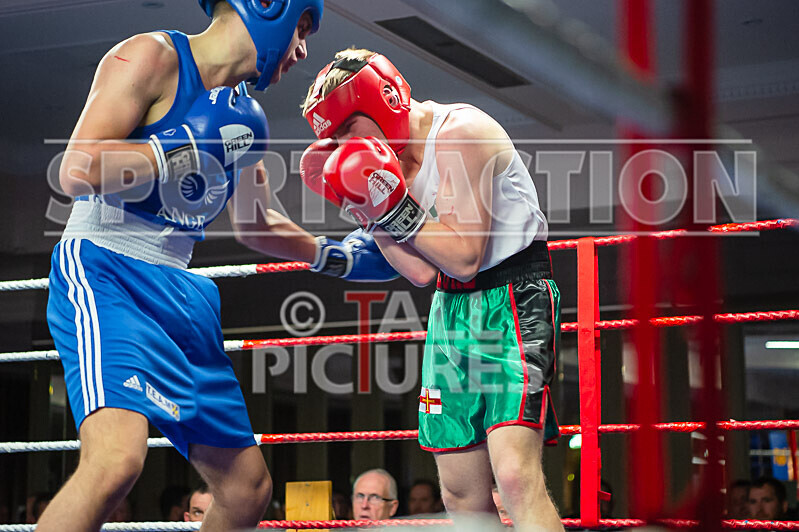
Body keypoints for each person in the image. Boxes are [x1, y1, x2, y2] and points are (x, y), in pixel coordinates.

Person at [39, 2, 395, 532]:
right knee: (115, 462)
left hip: (180, 288)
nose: (302, 49)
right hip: (107, 268)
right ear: (268, 7)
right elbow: (77, 167)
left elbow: (255, 223)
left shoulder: (248, 118)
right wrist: (178, 149)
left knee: (246, 490)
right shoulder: (150, 57)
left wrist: (334, 255)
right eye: (301, 28)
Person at [300, 48, 562, 530]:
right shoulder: (386, 161)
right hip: (450, 309)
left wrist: (387, 200)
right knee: (460, 492)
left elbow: (465, 257)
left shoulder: (462, 132)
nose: (346, 149)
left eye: (349, 133)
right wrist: (365, 208)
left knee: (515, 477)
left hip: (513, 297)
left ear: (385, 102)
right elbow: (422, 273)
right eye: (335, 141)